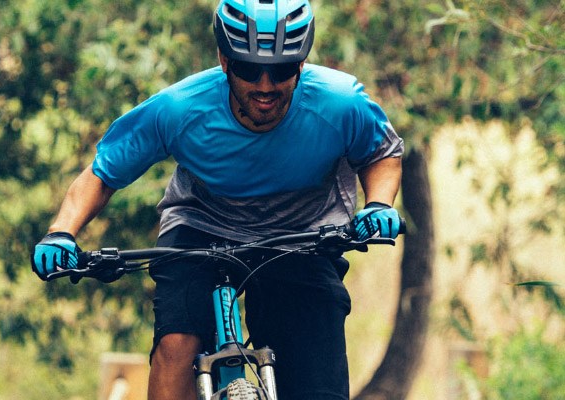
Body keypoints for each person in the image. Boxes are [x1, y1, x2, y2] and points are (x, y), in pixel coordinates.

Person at [31, 0, 404, 399]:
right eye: (247, 68)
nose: (264, 86)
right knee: (176, 347)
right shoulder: (180, 109)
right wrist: (61, 233)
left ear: (300, 63)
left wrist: (379, 204)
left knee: (316, 383)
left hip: (300, 238)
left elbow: (381, 152)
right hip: (201, 230)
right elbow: (102, 174)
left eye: (280, 70)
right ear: (224, 60)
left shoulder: (340, 103)